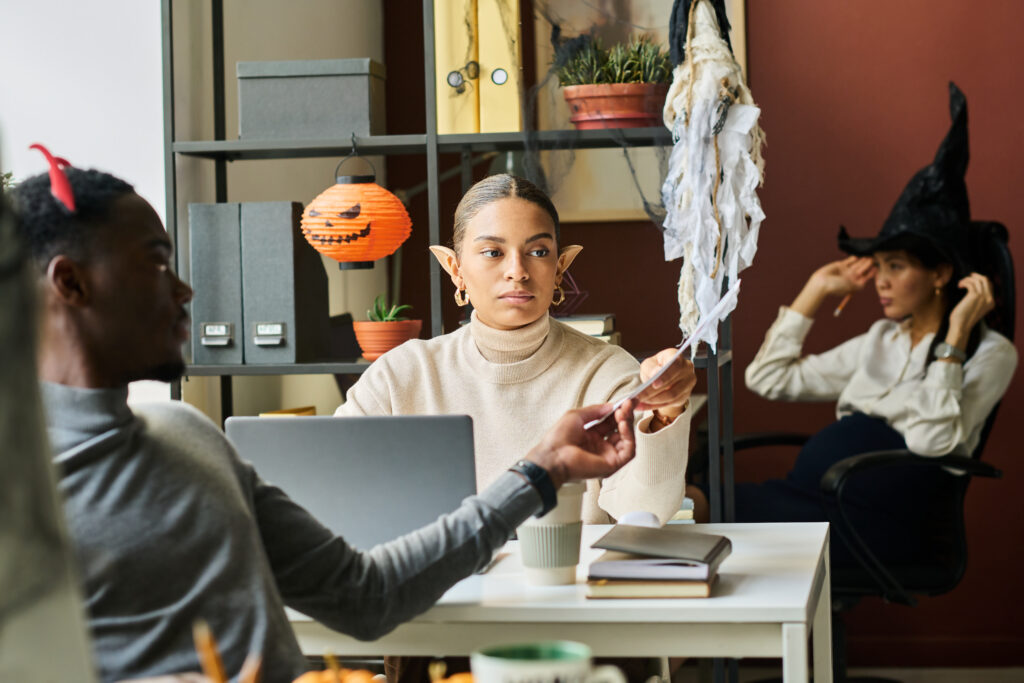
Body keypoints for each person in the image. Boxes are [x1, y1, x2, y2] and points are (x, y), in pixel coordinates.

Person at [14, 157, 638, 683]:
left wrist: (544, 468)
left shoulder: (189, 434)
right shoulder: (21, 501)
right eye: (155, 263)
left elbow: (364, 595)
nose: (185, 290)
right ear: (70, 284)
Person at [687, 83, 1017, 567]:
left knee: (698, 508)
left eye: (896, 267)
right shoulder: (881, 340)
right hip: (813, 499)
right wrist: (815, 291)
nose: (880, 281)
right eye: (877, 267)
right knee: (690, 501)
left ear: (941, 274)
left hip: (876, 520)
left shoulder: (991, 354)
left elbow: (929, 442)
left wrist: (955, 339)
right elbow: (767, 378)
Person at [336, 173, 697, 526]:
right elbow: (332, 484)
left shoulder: (605, 371)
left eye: (538, 251)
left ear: (560, 267)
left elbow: (646, 510)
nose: (517, 271)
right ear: (455, 268)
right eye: (493, 252)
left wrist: (665, 413)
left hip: (565, 580)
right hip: (441, 583)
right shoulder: (402, 375)